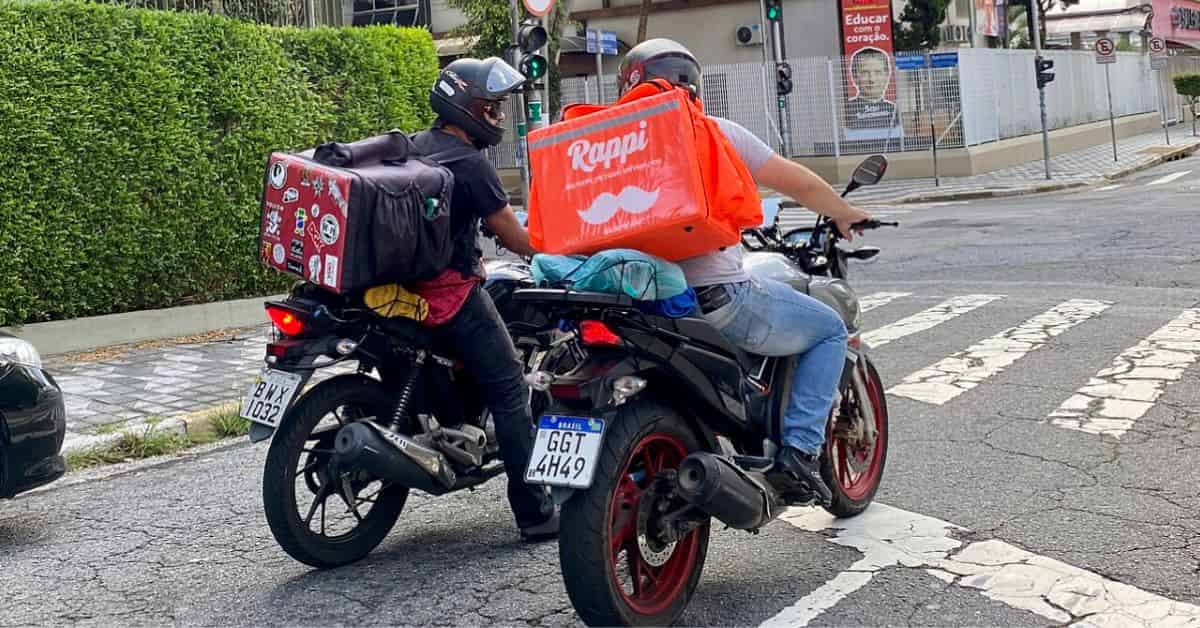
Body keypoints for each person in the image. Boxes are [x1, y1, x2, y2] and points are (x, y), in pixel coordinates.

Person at [616, 39, 874, 505]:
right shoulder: (715, 133)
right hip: (715, 299)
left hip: (633, 305)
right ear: (691, 85)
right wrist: (842, 211)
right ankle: (799, 452)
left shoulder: (611, 145)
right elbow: (797, 182)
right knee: (830, 331)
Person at [411, 56, 558, 541]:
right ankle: (535, 513)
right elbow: (516, 240)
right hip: (450, 293)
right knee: (511, 390)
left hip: (398, 292)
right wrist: (565, 243)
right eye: (491, 109)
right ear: (467, 107)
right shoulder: (472, 165)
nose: (496, 118)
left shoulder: (416, 146)